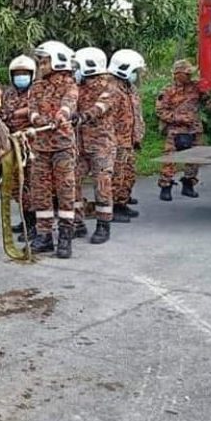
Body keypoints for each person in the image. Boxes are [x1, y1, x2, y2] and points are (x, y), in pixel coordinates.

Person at [27, 41, 78, 259]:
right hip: (41, 147)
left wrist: (62, 115)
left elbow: (70, 103)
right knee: (41, 191)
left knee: (65, 190)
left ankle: (65, 236)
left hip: (63, 146)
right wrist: (37, 119)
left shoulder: (69, 84)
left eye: (45, 61)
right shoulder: (37, 87)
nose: (41, 65)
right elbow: (31, 109)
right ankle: (45, 235)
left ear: (57, 61)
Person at [71, 47, 118, 245]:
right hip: (80, 146)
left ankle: (103, 225)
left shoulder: (109, 85)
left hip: (101, 146)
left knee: (102, 186)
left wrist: (83, 116)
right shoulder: (78, 86)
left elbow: (101, 107)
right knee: (71, 182)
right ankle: (76, 222)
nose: (75, 70)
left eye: (78, 66)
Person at [156, 59, 211, 200]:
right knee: (170, 159)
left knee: (194, 159)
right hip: (175, 131)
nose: (190, 76)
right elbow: (160, 111)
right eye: (187, 73)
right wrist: (179, 118)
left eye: (190, 74)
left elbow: (208, 102)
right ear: (177, 74)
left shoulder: (196, 88)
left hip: (194, 130)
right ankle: (166, 187)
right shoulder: (167, 91)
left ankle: (188, 185)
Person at [0, 55, 37, 243]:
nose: (21, 77)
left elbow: (35, 111)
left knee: (29, 184)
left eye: (25, 74)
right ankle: (24, 220)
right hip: (12, 143)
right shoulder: (8, 93)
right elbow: (4, 113)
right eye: (17, 74)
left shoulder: (37, 92)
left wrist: (15, 113)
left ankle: (33, 224)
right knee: (16, 186)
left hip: (30, 144)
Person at [109, 49, 147, 221]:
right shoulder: (111, 88)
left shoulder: (129, 88)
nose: (136, 75)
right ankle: (112, 208)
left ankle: (122, 203)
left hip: (129, 140)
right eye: (134, 71)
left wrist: (137, 135)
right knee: (116, 175)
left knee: (128, 174)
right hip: (116, 141)